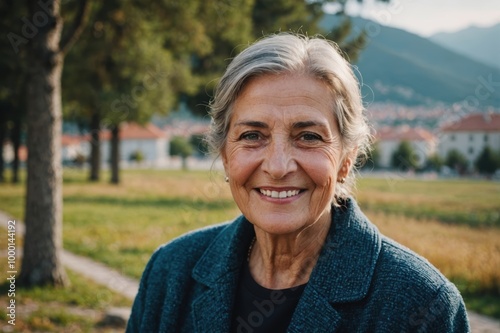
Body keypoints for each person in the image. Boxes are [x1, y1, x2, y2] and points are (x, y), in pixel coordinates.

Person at [126, 33, 470, 332]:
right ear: (226, 154)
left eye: (307, 136)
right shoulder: (170, 272)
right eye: (252, 135)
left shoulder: (422, 304)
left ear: (347, 159)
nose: (277, 166)